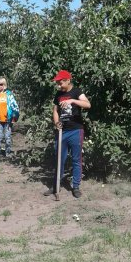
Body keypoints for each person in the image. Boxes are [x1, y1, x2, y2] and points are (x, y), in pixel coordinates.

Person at [44, 70, 91, 199]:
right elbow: (55, 110)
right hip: (62, 132)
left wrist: (72, 101)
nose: (59, 85)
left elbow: (87, 104)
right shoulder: (58, 94)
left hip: (76, 130)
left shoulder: (77, 92)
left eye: (61, 82)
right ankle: (56, 185)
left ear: (68, 80)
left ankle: (75, 186)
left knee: (76, 159)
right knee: (59, 159)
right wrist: (56, 122)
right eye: (58, 83)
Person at [0, 77, 19, 158]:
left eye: (1, 84)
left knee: (7, 137)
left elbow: (14, 106)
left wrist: (14, 117)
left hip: (8, 120)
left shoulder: (9, 94)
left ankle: (8, 153)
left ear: (4, 85)